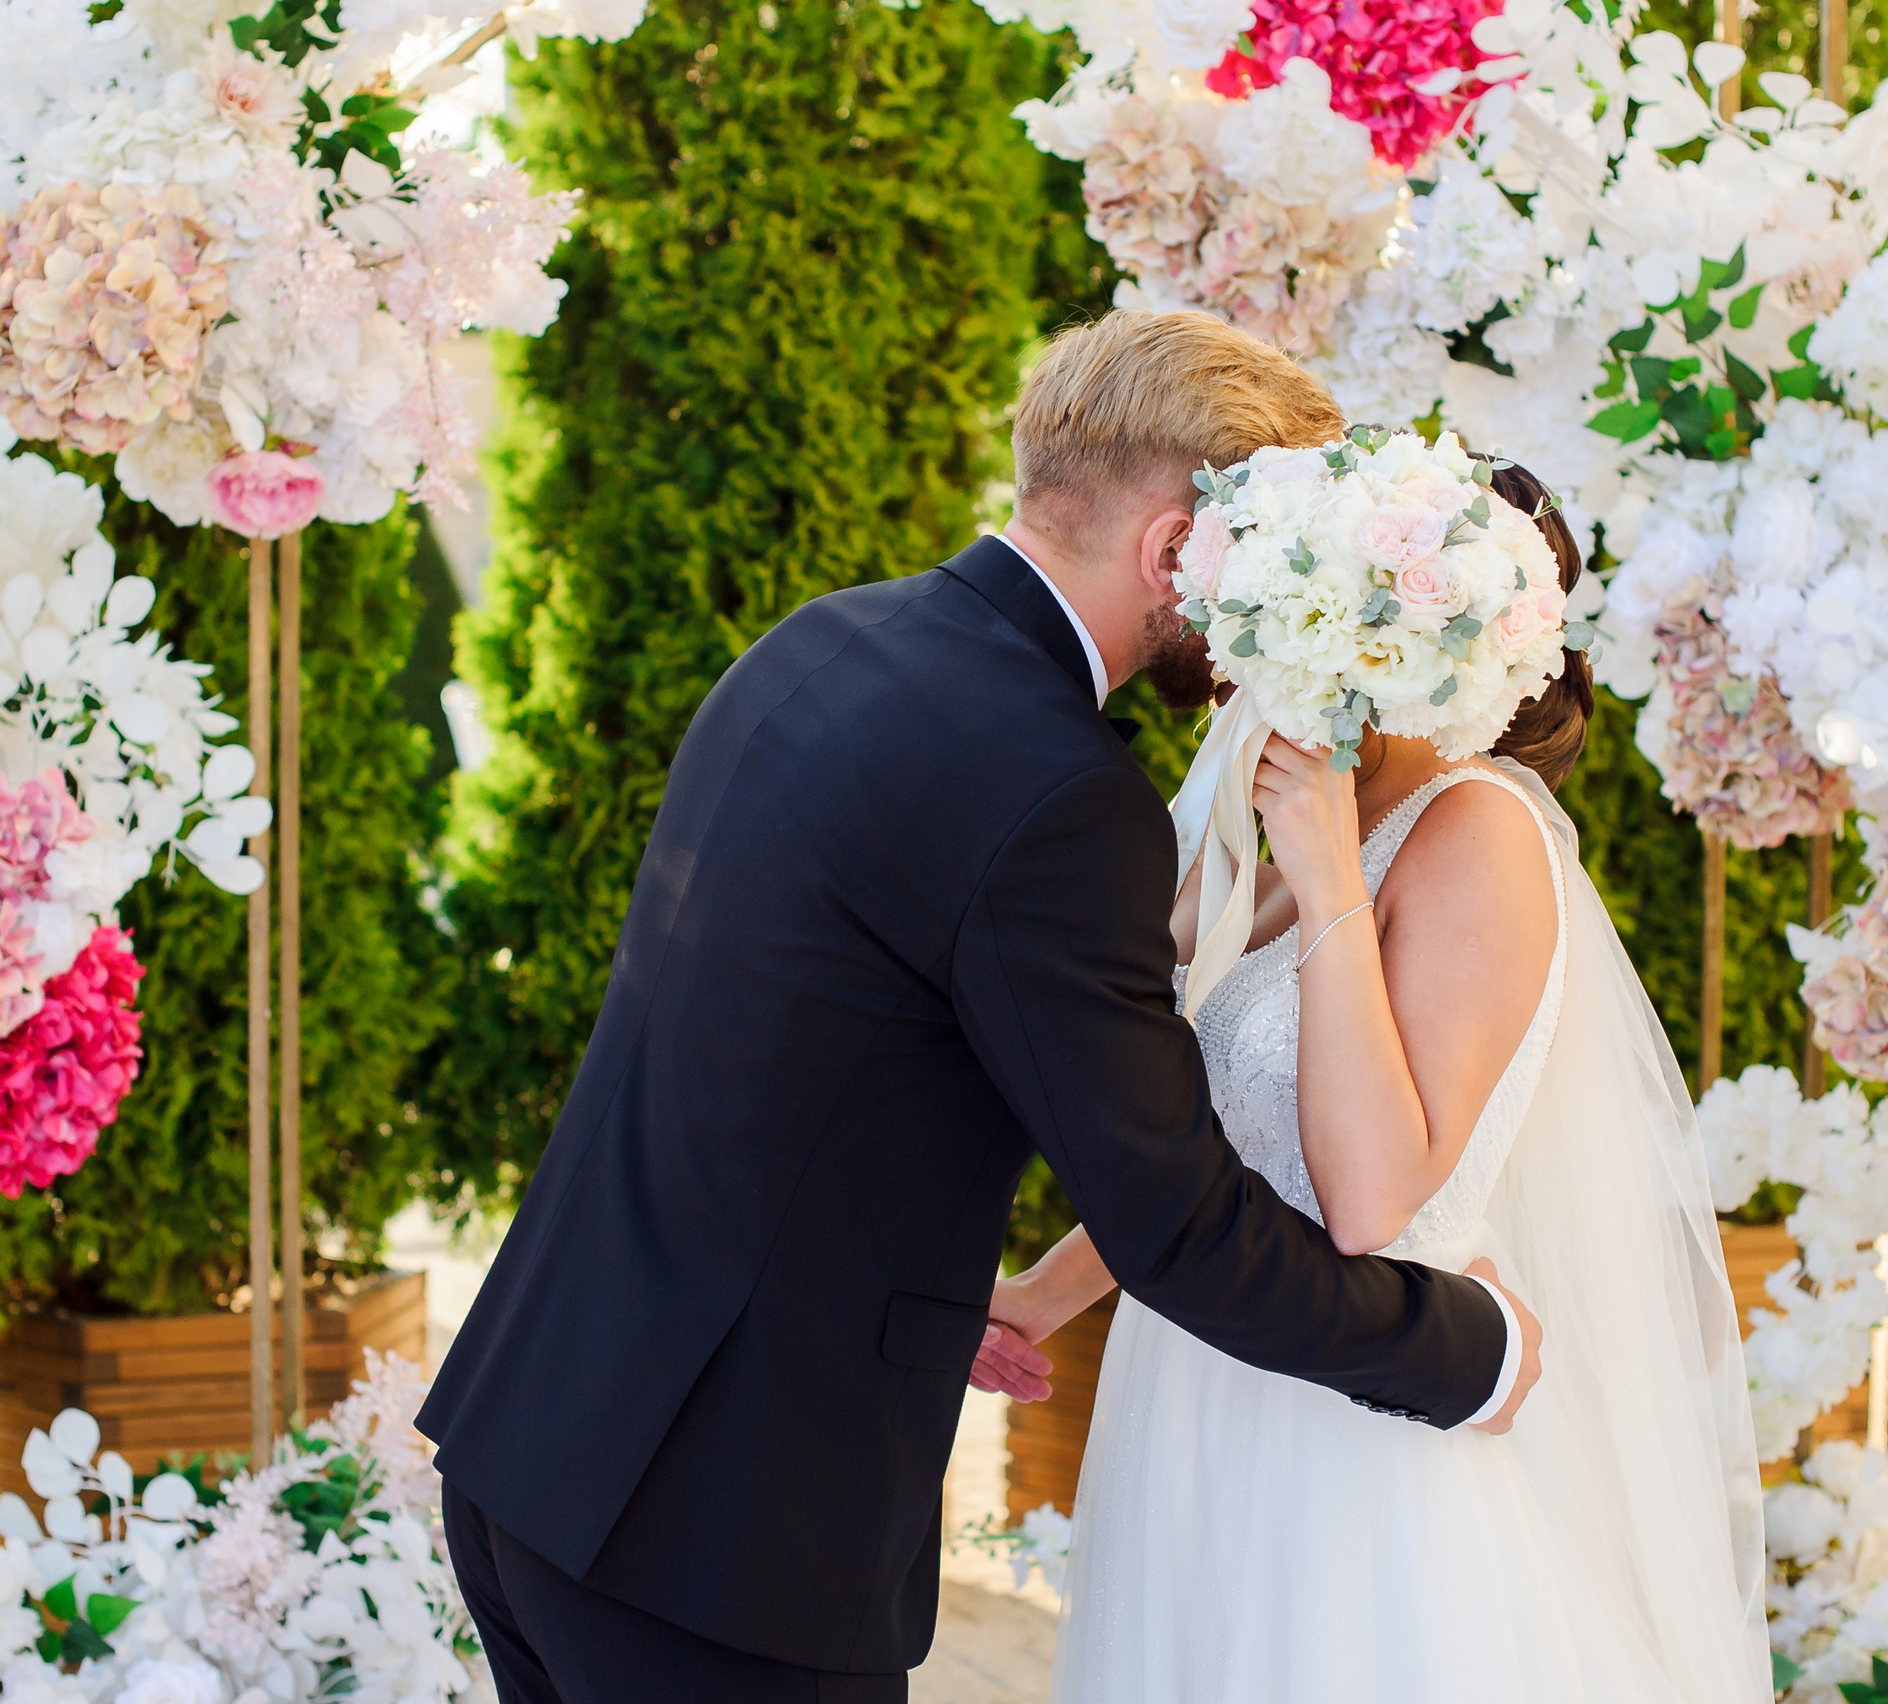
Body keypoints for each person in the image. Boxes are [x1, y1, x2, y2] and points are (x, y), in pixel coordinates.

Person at [415, 311, 1544, 1701]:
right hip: (717, 1540)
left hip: (541, 1449)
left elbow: (795, 1073)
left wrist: (976, 1293)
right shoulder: (1057, 796)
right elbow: (1177, 1224)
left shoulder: (825, 643)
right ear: (1174, 548)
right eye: (1266, 554)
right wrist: (1463, 1353)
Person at [985, 462, 1769, 1701]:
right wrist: (1043, 1295)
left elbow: (1370, 1199)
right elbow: (1219, 1138)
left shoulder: (1480, 834)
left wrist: (1332, 874)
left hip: (1351, 1424)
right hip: (1193, 1380)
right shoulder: (1272, 794)